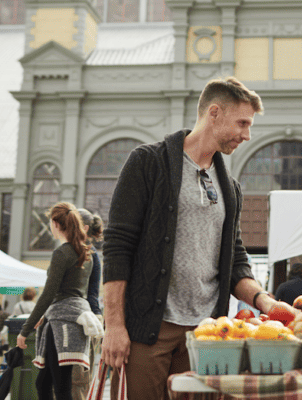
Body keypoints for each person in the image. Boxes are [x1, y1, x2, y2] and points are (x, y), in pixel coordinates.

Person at [101, 77, 280, 400]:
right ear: (214, 113)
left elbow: (236, 260)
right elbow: (117, 247)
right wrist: (114, 326)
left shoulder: (231, 188)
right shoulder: (147, 163)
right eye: (242, 123)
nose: (246, 135)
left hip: (208, 334)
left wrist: (266, 302)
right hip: (148, 329)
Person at [17, 202, 96, 400]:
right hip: (75, 320)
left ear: (55, 223)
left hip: (61, 322)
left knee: (59, 386)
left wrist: (25, 330)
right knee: (46, 383)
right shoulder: (86, 253)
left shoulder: (62, 253)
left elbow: (49, 293)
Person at [72, 208, 104, 400]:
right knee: (77, 380)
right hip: (88, 316)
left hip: (83, 319)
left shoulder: (86, 255)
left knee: (77, 380)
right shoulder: (89, 254)